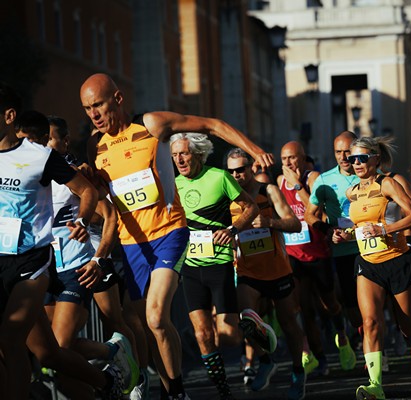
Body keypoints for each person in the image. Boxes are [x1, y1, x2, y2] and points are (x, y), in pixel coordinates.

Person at [80, 73, 274, 399]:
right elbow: (105, 203)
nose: (94, 114)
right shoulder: (94, 144)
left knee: (157, 318)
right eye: (87, 109)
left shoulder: (151, 124)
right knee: (147, 325)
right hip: (131, 244)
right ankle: (172, 390)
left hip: (169, 232)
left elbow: (212, 125)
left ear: (117, 98)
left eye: (98, 105)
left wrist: (254, 150)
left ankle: (177, 392)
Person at [0, 82, 120, 398]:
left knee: (10, 340)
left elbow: (88, 190)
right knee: (47, 353)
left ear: (9, 116)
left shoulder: (38, 155)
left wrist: (81, 219)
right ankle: (107, 383)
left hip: (31, 264)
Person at [18, 114, 139, 397]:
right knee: (51, 357)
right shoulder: (28, 178)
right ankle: (111, 356)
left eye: (47, 138)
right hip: (43, 270)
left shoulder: (74, 174)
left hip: (75, 269)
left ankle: (120, 367)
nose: (37, 145)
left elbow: (110, 216)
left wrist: (98, 258)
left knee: (60, 346)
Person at [170, 132, 276, 400]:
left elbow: (250, 208)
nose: (179, 159)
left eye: (183, 153)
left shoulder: (219, 177)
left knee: (227, 336)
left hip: (219, 264)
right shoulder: (173, 184)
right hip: (191, 267)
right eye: (174, 154)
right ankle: (224, 391)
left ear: (197, 154)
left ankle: (253, 329)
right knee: (203, 334)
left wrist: (232, 229)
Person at [339, 136, 411, 400]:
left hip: (397, 260)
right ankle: (375, 385)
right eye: (352, 159)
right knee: (370, 322)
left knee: (407, 326)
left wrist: (384, 229)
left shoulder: (388, 183)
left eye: (362, 158)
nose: (357, 163)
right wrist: (345, 234)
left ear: (375, 158)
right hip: (368, 263)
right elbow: (360, 228)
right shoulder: (352, 192)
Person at [227, 147, 308, 399]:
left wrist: (270, 222)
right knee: (245, 321)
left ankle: (297, 371)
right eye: (231, 171)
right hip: (248, 271)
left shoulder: (268, 191)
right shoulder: (227, 195)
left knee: (288, 324)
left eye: (241, 169)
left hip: (277, 270)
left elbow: (294, 224)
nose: (236, 175)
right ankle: (264, 361)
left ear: (251, 167)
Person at [277, 141, 354, 376]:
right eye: (284, 160)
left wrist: (298, 186)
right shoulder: (279, 183)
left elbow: (317, 213)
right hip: (294, 255)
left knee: (329, 304)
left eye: (292, 158)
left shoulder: (313, 178)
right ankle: (320, 358)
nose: (288, 163)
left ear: (302, 157)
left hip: (319, 253)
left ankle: (341, 334)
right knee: (306, 309)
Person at [305, 131, 362, 334]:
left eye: (347, 151)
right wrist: (328, 230)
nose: (343, 157)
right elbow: (309, 215)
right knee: (353, 309)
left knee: (373, 303)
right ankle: (364, 338)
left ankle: (375, 348)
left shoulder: (370, 174)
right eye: (338, 152)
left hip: (370, 248)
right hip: (343, 251)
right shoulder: (324, 180)